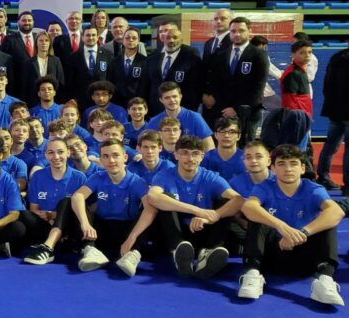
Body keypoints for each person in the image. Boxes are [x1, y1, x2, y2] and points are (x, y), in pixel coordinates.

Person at [238, 145, 344, 305]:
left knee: (328, 220)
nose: (288, 169)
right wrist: (281, 227)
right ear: (273, 168)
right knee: (257, 216)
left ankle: (324, 278)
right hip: (271, 255)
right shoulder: (265, 187)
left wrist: (302, 233)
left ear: (302, 168)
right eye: (281, 164)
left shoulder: (312, 189)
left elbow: (337, 211)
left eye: (293, 163)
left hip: (305, 256)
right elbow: (248, 206)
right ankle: (252, 272)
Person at [147, 135, 243, 278]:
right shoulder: (165, 175)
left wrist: (211, 217)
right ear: (176, 155)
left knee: (224, 202)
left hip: (202, 230)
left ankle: (209, 251)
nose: (190, 158)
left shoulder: (211, 177)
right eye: (185, 153)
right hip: (175, 231)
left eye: (195, 154)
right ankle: (178, 249)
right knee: (165, 200)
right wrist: (197, 211)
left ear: (202, 157)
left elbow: (238, 200)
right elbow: (152, 197)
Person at [60, 140, 155, 276]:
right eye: (105, 156)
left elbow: (150, 209)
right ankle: (90, 250)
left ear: (125, 158)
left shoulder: (136, 182)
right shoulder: (98, 177)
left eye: (116, 155)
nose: (111, 160)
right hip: (101, 231)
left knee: (150, 210)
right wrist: (85, 224)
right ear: (101, 160)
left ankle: (134, 254)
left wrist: (132, 237)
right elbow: (78, 196)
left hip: (127, 232)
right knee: (74, 203)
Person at [21, 138, 88, 262]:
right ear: (46, 155)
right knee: (24, 215)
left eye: (60, 152)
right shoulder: (38, 176)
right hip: (45, 223)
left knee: (67, 202)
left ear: (68, 153)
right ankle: (57, 241)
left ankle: (49, 245)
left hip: (68, 224)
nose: (56, 156)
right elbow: (34, 209)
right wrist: (49, 219)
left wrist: (52, 216)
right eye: (51, 152)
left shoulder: (79, 178)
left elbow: (80, 212)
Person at [202, 16, 269, 141]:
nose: (237, 34)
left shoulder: (258, 55)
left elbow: (258, 87)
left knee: (244, 148)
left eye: (241, 30)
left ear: (249, 31)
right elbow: (216, 83)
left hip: (246, 111)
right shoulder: (222, 54)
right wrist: (221, 105)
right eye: (233, 31)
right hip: (222, 110)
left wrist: (236, 109)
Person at [145, 23, 203, 115]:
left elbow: (195, 86)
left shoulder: (191, 57)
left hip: (181, 109)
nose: (171, 40)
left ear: (181, 40)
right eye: (168, 38)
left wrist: (191, 110)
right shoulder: (153, 57)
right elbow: (147, 85)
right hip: (155, 110)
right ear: (163, 39)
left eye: (175, 37)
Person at [316, 43, 349, 193]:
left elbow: (327, 85)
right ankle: (348, 185)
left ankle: (323, 176)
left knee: (330, 145)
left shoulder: (337, 57)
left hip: (335, 110)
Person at [146, 83, 215, 152]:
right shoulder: (154, 122)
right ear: (161, 100)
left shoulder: (195, 117)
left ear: (180, 96)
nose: (172, 100)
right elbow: (145, 146)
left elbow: (209, 145)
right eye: (167, 98)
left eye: (174, 96)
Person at [64, 27, 113, 111]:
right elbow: (69, 82)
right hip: (80, 102)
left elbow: (111, 78)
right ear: (83, 37)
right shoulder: (73, 57)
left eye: (93, 35)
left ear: (98, 37)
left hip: (102, 101)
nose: (91, 38)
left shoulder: (107, 55)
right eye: (88, 35)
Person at [107, 26, 149, 107]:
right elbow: (110, 84)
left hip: (137, 105)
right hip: (117, 104)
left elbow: (146, 86)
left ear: (139, 41)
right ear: (123, 40)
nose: (131, 40)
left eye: (134, 38)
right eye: (127, 38)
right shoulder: (114, 62)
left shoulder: (146, 62)